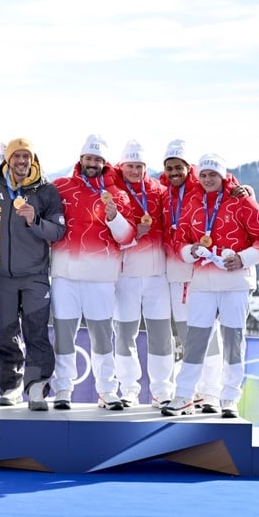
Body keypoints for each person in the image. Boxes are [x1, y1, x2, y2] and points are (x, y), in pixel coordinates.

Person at [162, 154, 259, 418]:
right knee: (195, 341)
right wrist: (192, 250)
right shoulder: (192, 201)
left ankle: (229, 398)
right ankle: (183, 395)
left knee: (233, 341)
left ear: (223, 176)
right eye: (203, 175)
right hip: (203, 283)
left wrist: (242, 258)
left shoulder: (240, 199)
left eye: (213, 175)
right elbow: (180, 240)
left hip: (235, 284)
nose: (207, 179)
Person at [160, 139, 246, 413]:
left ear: (190, 168)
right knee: (193, 337)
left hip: (210, 272)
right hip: (182, 269)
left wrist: (244, 189)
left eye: (179, 168)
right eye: (170, 168)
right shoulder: (163, 192)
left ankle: (211, 393)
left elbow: (225, 182)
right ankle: (190, 392)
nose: (175, 173)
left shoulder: (201, 185)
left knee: (214, 338)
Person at [50, 135, 136, 410]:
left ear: (104, 163)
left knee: (101, 336)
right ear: (81, 159)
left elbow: (127, 237)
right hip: (65, 274)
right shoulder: (61, 187)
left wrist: (114, 217)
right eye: (89, 158)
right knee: (65, 334)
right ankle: (63, 388)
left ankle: (107, 390)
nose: (92, 163)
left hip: (101, 277)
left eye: (98, 160)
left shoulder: (118, 195)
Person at [0, 138, 65, 411]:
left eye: (26, 156)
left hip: (35, 276)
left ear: (33, 159)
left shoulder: (46, 190)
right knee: (6, 334)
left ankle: (37, 387)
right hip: (2, 276)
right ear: (7, 159)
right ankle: (10, 386)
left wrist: (34, 221)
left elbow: (58, 231)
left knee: (36, 333)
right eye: (16, 156)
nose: (21, 161)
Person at [111, 140, 174, 409]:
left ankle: (161, 389)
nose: (135, 171)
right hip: (125, 274)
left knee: (160, 334)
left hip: (157, 274)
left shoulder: (158, 190)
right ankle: (128, 389)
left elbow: (189, 179)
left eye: (139, 166)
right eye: (130, 166)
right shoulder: (114, 191)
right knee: (125, 335)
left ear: (146, 167)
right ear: (122, 166)